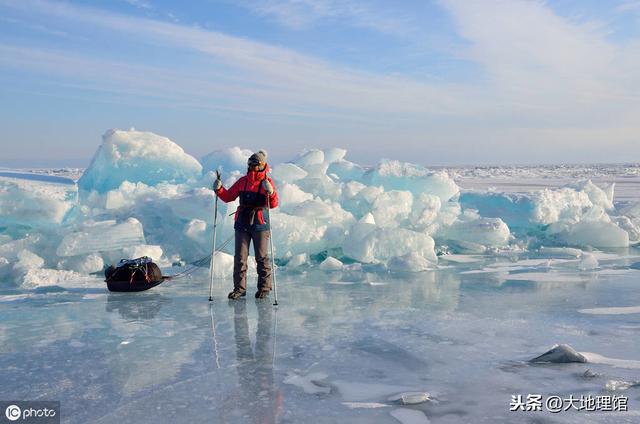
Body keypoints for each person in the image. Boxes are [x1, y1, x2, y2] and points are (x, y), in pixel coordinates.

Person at [213, 150, 278, 299]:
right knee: (240, 257)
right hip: (242, 222)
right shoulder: (243, 181)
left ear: (261, 165)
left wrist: (271, 192)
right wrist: (219, 189)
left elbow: (273, 204)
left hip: (260, 223)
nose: (251, 166)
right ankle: (239, 289)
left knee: (261, 257)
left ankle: (264, 288)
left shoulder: (267, 182)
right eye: (250, 163)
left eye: (254, 164)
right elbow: (228, 196)